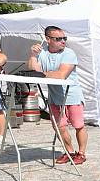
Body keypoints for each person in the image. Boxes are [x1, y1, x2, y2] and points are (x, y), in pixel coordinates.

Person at [26, 26, 88, 164]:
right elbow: (31, 71)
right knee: (59, 126)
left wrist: (41, 74)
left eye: (64, 38)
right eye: (58, 39)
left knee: (79, 126)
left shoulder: (69, 53)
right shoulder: (44, 53)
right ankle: (70, 152)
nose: (63, 41)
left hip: (72, 95)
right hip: (54, 97)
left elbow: (61, 75)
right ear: (48, 39)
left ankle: (82, 153)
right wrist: (32, 55)